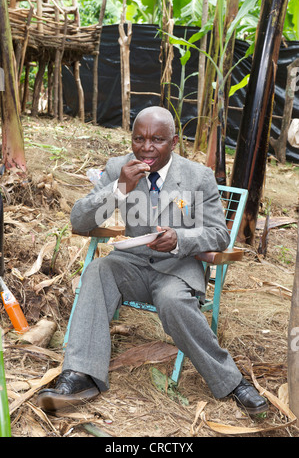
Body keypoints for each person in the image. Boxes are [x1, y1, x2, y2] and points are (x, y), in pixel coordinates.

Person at [37, 106, 268, 415]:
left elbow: (218, 234)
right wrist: (119, 188)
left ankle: (231, 382)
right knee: (97, 270)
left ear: (173, 142)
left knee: (173, 301)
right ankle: (81, 375)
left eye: (157, 140)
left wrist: (180, 239)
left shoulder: (197, 177)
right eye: (139, 138)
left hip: (176, 270)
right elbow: (79, 221)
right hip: (130, 265)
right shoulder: (119, 167)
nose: (146, 147)